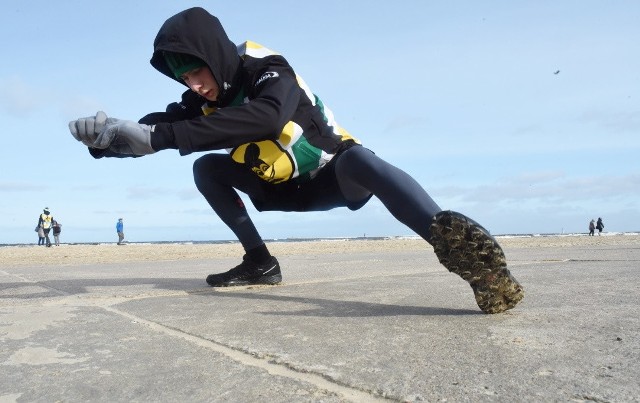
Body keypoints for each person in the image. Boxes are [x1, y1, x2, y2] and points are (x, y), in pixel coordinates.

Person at [68, 7, 524, 314]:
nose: (195, 87)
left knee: (362, 159)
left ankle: (456, 246)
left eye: (197, 71)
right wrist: (106, 140)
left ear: (215, 54)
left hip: (334, 177)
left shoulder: (267, 67)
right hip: (277, 188)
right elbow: (153, 126)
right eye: (184, 79)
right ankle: (260, 263)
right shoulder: (201, 97)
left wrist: (160, 136)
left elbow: (268, 113)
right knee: (206, 167)